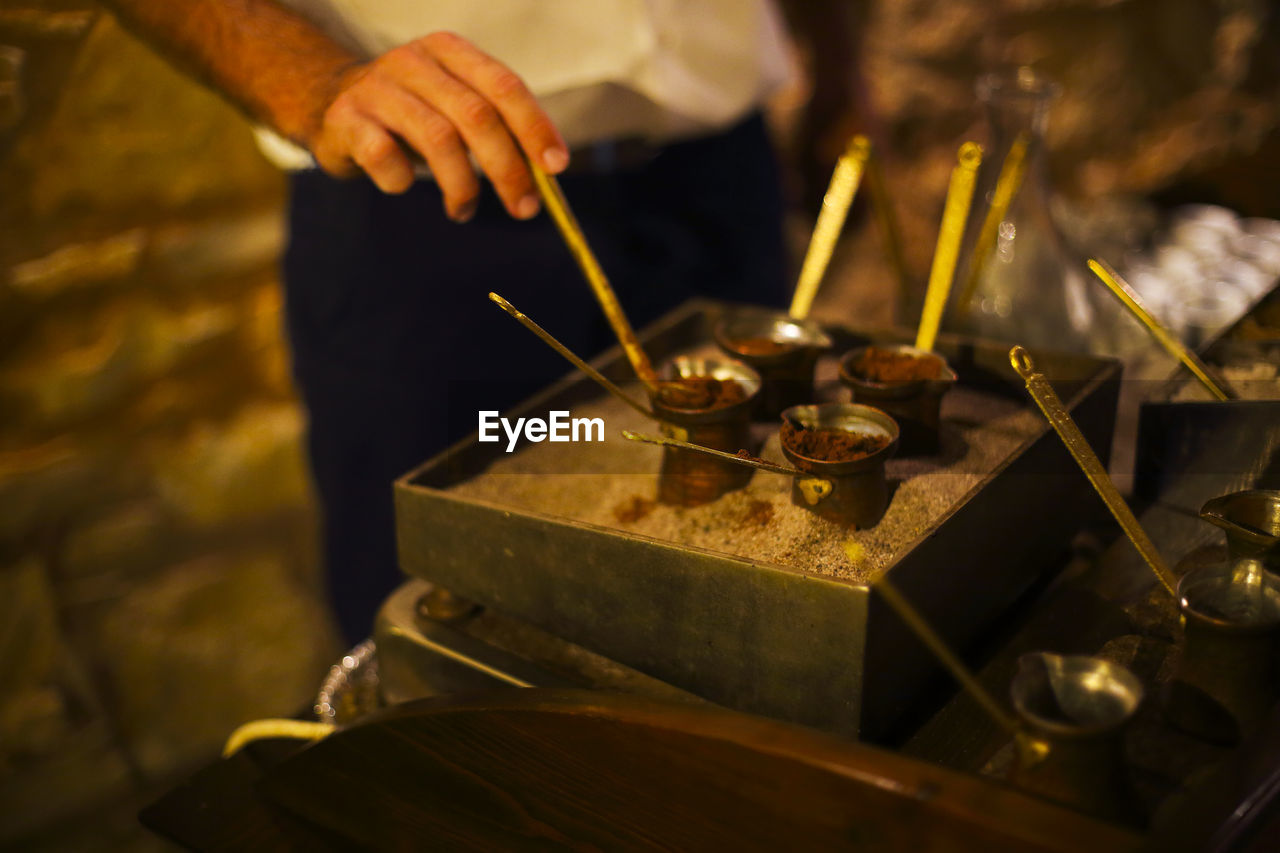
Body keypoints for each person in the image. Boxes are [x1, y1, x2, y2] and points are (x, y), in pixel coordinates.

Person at [101, 0, 867, 644]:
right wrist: (315, 81)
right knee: (449, 618)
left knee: (746, 585)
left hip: (719, 182)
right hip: (432, 204)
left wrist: (838, 69)